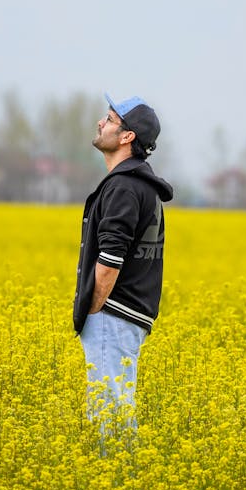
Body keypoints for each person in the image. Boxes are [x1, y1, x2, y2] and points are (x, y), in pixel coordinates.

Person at [73, 93, 173, 428]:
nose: (101, 123)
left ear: (127, 136)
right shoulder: (143, 185)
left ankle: (116, 473)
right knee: (116, 404)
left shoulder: (125, 187)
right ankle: (120, 472)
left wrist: (93, 308)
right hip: (130, 314)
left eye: (111, 120)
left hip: (113, 313)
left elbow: (111, 257)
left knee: (109, 412)